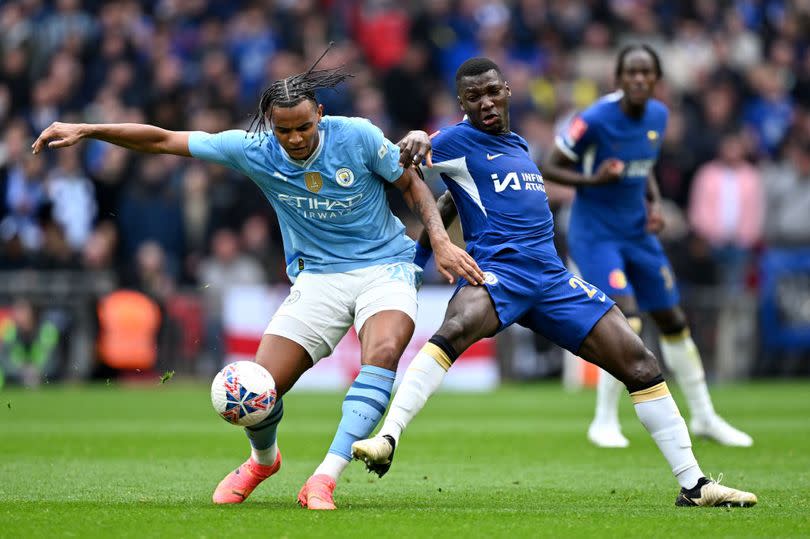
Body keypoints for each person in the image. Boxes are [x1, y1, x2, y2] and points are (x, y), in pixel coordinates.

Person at [32, 53, 483, 511]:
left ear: (319, 116)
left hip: (384, 268)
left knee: (383, 352)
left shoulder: (358, 136)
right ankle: (263, 460)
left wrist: (441, 243)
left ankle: (324, 478)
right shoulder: (254, 148)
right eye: (284, 130)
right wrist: (88, 130)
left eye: (303, 127)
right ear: (270, 124)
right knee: (256, 389)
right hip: (318, 279)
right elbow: (165, 139)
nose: (295, 138)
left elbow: (411, 183)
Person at [351, 57, 756, 507]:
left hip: (552, 280)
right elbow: (419, 153)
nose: (485, 102)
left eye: (491, 92)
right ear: (461, 104)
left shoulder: (520, 145)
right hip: (500, 274)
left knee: (640, 364)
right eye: (473, 97)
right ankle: (388, 437)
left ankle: (694, 485)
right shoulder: (455, 141)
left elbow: (450, 199)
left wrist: (429, 245)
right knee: (454, 329)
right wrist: (418, 143)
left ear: (506, 90)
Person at [541, 44, 753, 448]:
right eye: (631, 73)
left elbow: (644, 166)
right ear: (619, 79)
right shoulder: (596, 118)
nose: (639, 79)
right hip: (597, 232)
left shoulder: (658, 115)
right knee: (626, 315)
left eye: (646, 73)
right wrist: (596, 181)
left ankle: (705, 416)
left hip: (638, 232)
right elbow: (550, 165)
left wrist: (653, 202)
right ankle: (604, 420)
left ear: (656, 80)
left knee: (672, 319)